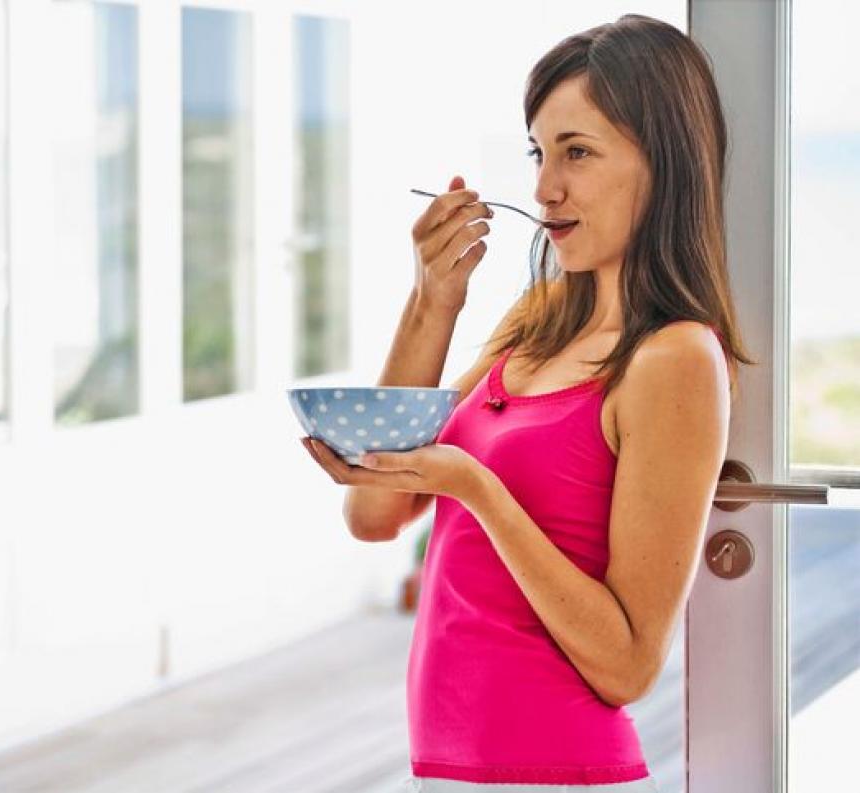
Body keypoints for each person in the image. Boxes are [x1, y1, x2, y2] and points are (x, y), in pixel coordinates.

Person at [299, 13, 757, 792]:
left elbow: (628, 665)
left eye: (577, 152)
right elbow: (373, 512)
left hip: (562, 772)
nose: (545, 188)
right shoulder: (535, 324)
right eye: (539, 153)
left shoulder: (675, 358)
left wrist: (477, 488)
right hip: (449, 769)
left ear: (664, 161)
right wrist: (433, 299)